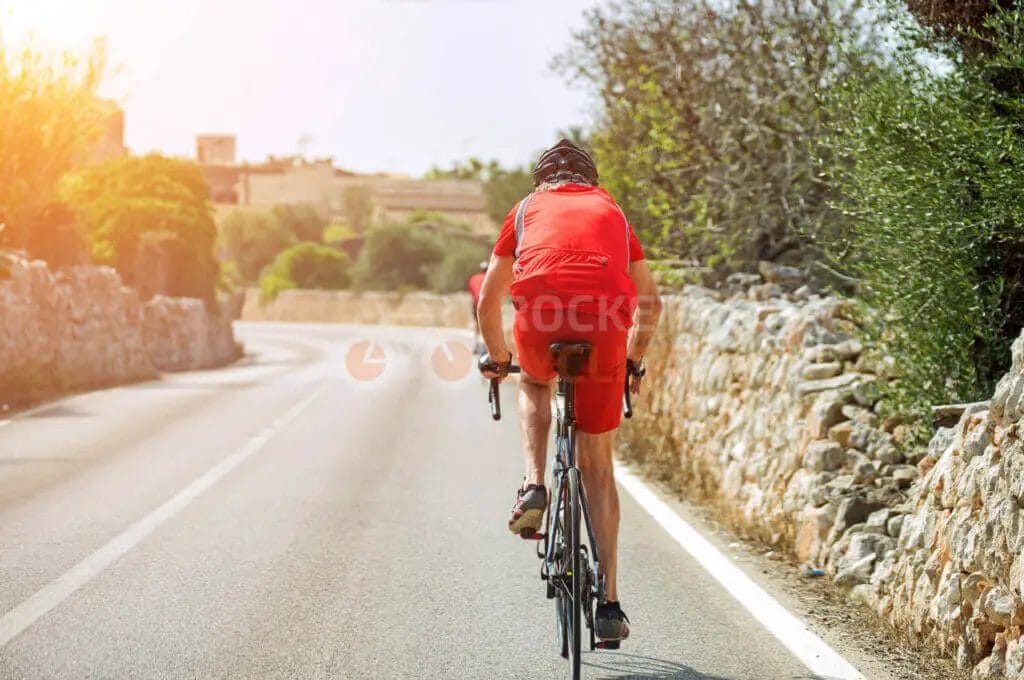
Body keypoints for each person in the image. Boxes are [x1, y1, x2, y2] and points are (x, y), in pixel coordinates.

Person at [476, 139, 662, 643]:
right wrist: (632, 362)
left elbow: (489, 301)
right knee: (599, 469)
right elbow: (651, 304)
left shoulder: (524, 211)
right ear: (590, 179)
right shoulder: (615, 214)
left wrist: (497, 357)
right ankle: (609, 604)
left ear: (543, 182)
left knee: (536, 381)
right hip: (604, 329)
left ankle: (536, 483)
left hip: (540, 321)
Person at [467, 262, 488, 355]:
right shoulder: (490, 277)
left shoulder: (473, 278)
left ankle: (476, 345)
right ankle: (486, 346)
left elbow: (472, 292)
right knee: (488, 325)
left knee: (477, 324)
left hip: (476, 303)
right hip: (488, 304)